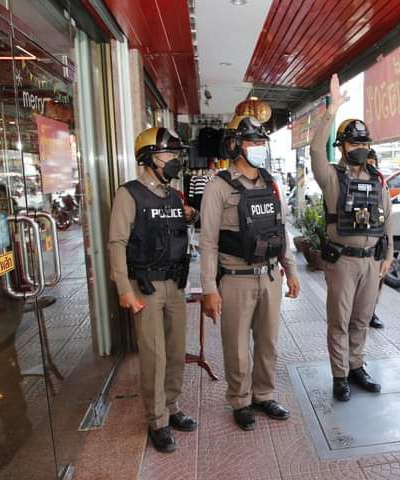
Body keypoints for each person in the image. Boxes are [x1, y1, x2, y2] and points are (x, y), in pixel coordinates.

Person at [200, 115, 300, 431]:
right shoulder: (218, 186)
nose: (258, 147)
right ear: (235, 146)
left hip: (270, 277)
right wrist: (209, 288)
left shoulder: (271, 183)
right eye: (252, 142)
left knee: (268, 342)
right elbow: (208, 241)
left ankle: (264, 394)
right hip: (235, 278)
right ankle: (240, 400)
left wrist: (291, 270)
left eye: (261, 142)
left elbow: (280, 230)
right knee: (237, 346)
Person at [108, 127, 197, 454]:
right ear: (148, 158)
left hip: (174, 284)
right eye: (168, 154)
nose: (174, 160)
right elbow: (116, 242)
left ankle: (171, 407)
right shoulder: (129, 194)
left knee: (175, 350)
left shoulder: (173, 195)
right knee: (154, 355)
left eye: (175, 154)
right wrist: (124, 289)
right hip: (144, 286)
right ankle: (157, 420)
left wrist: (190, 216)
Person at [311, 73, 392, 402]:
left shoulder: (377, 179)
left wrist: (388, 255)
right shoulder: (331, 177)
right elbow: (315, 149)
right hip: (342, 261)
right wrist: (332, 110)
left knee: (361, 319)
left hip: (371, 262)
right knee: (339, 321)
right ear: (342, 146)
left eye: (363, 144)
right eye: (354, 144)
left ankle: (357, 366)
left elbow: (386, 218)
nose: (360, 149)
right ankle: (340, 375)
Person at [366, 148, 384, 329]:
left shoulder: (380, 183)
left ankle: (371, 312)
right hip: (363, 239)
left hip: (378, 240)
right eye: (368, 163)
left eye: (373, 163)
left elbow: (386, 214)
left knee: (378, 282)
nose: (371, 166)